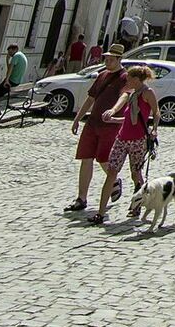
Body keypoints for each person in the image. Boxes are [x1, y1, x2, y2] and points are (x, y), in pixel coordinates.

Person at [89, 65, 158, 225]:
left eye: (128, 78)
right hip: (122, 139)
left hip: (138, 140)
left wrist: (154, 130)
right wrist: (113, 117)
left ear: (136, 79)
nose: (126, 80)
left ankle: (137, 203)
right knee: (111, 173)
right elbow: (127, 117)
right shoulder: (130, 94)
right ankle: (100, 213)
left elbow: (156, 113)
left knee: (136, 174)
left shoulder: (147, 93)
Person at [65, 42, 127, 212]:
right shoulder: (102, 75)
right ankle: (81, 198)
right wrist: (78, 118)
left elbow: (124, 97)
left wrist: (113, 111)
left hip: (109, 125)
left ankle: (114, 180)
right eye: (106, 59)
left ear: (119, 59)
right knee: (86, 158)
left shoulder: (124, 77)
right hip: (92, 123)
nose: (107, 62)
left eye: (111, 59)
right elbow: (91, 98)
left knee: (103, 159)